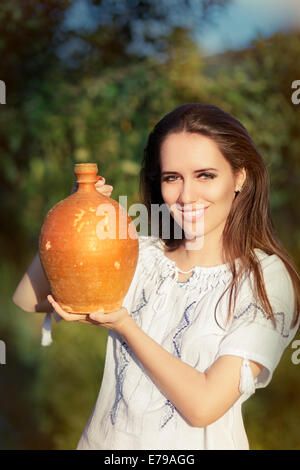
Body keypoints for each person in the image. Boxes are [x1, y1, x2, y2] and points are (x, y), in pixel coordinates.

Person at [13, 103, 300, 450]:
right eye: (172, 177)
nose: (186, 196)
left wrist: (125, 326)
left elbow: (204, 406)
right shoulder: (140, 254)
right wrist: (76, 218)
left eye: (205, 175)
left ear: (239, 177)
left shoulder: (266, 278)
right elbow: (27, 298)